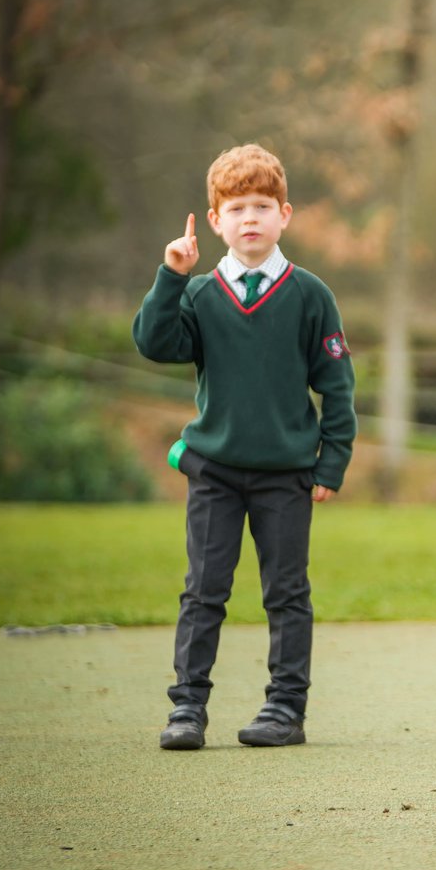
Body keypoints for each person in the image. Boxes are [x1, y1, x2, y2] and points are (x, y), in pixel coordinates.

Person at [133, 144, 356, 751]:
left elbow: (337, 388)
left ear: (285, 214)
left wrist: (330, 462)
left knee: (286, 593)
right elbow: (155, 343)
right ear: (215, 221)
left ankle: (285, 710)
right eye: (236, 208)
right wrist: (172, 274)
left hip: (287, 476)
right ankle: (188, 710)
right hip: (216, 474)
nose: (249, 218)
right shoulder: (199, 294)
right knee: (204, 589)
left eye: (262, 205)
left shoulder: (312, 295)